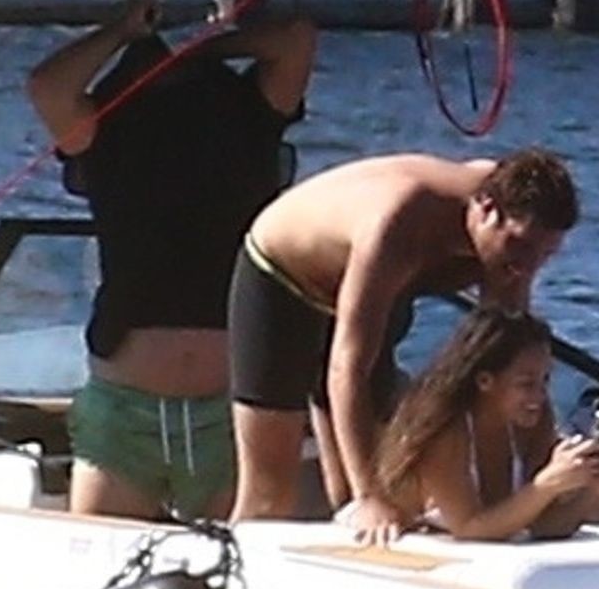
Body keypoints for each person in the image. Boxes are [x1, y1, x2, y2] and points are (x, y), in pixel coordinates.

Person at [27, 0, 314, 520]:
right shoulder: (105, 124)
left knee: (240, 562)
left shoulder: (249, 110)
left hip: (229, 412)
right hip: (126, 412)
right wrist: (122, 30)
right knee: (101, 558)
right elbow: (47, 86)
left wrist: (206, 45)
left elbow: (295, 38)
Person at [229, 148, 579, 543]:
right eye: (520, 245)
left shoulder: (513, 248)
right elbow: (347, 367)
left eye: (545, 254)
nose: (528, 266)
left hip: (379, 291)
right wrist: (367, 497)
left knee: (388, 493)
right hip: (284, 281)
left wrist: (551, 468)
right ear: (485, 209)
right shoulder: (399, 223)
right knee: (274, 493)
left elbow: (515, 361)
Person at [372, 307, 599, 540]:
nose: (540, 396)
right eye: (526, 384)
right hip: (387, 541)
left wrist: (593, 492)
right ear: (485, 381)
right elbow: (469, 528)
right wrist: (545, 485)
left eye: (545, 380)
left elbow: (543, 525)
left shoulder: (532, 421)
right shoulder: (445, 430)